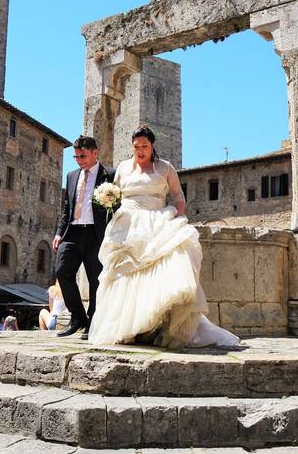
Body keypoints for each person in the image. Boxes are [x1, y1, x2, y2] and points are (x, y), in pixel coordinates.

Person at [89, 126, 239, 348]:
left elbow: (178, 195)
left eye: (145, 146)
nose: (140, 151)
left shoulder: (165, 168)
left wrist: (177, 213)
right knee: (125, 274)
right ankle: (129, 327)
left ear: (152, 146)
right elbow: (116, 193)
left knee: (171, 257)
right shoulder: (122, 167)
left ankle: (155, 324)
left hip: (157, 218)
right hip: (127, 223)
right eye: (136, 147)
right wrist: (109, 200)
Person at [53, 135, 116, 339]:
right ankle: (78, 317)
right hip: (72, 232)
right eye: (76, 156)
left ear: (95, 152)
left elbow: (116, 207)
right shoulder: (71, 176)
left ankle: (94, 323)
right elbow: (66, 208)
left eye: (83, 155)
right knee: (62, 270)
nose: (79, 160)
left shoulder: (110, 175)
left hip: (95, 234)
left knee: (95, 279)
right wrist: (58, 233)